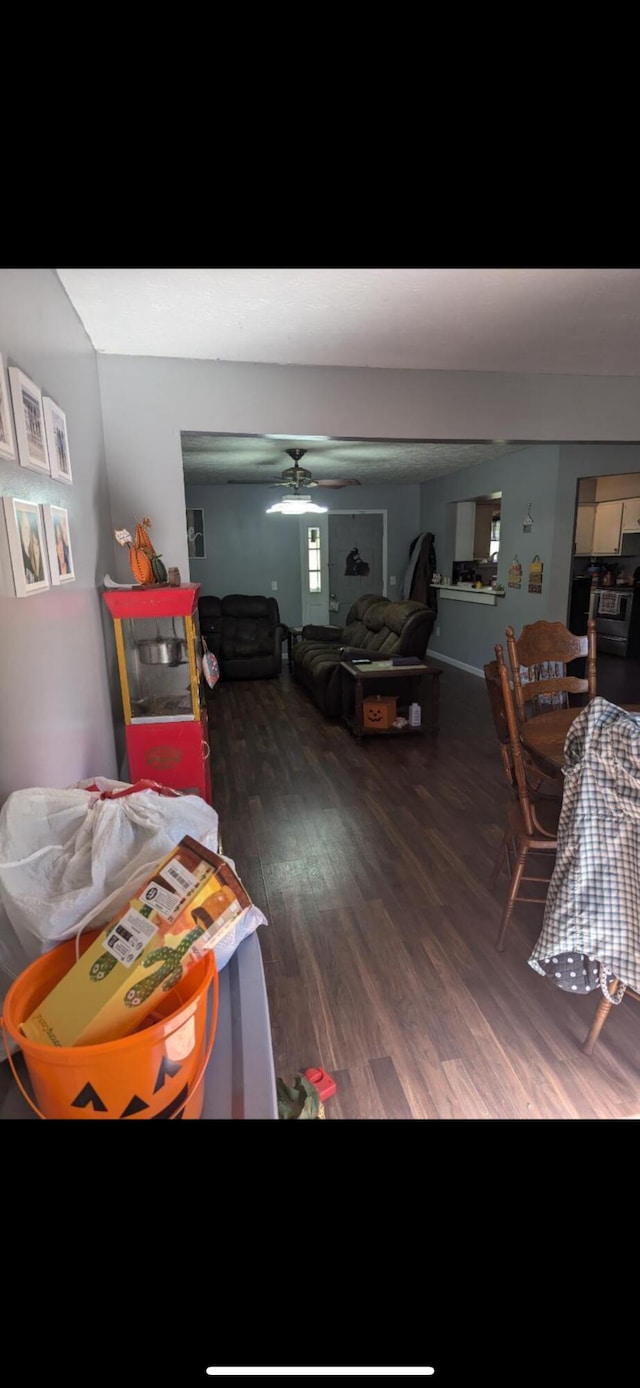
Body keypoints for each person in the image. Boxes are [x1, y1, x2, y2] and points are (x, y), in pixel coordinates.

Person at [19, 510, 37, 584]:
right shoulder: (20, 559)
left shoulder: (33, 558)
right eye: (24, 528)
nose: (26, 533)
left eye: (28, 529)